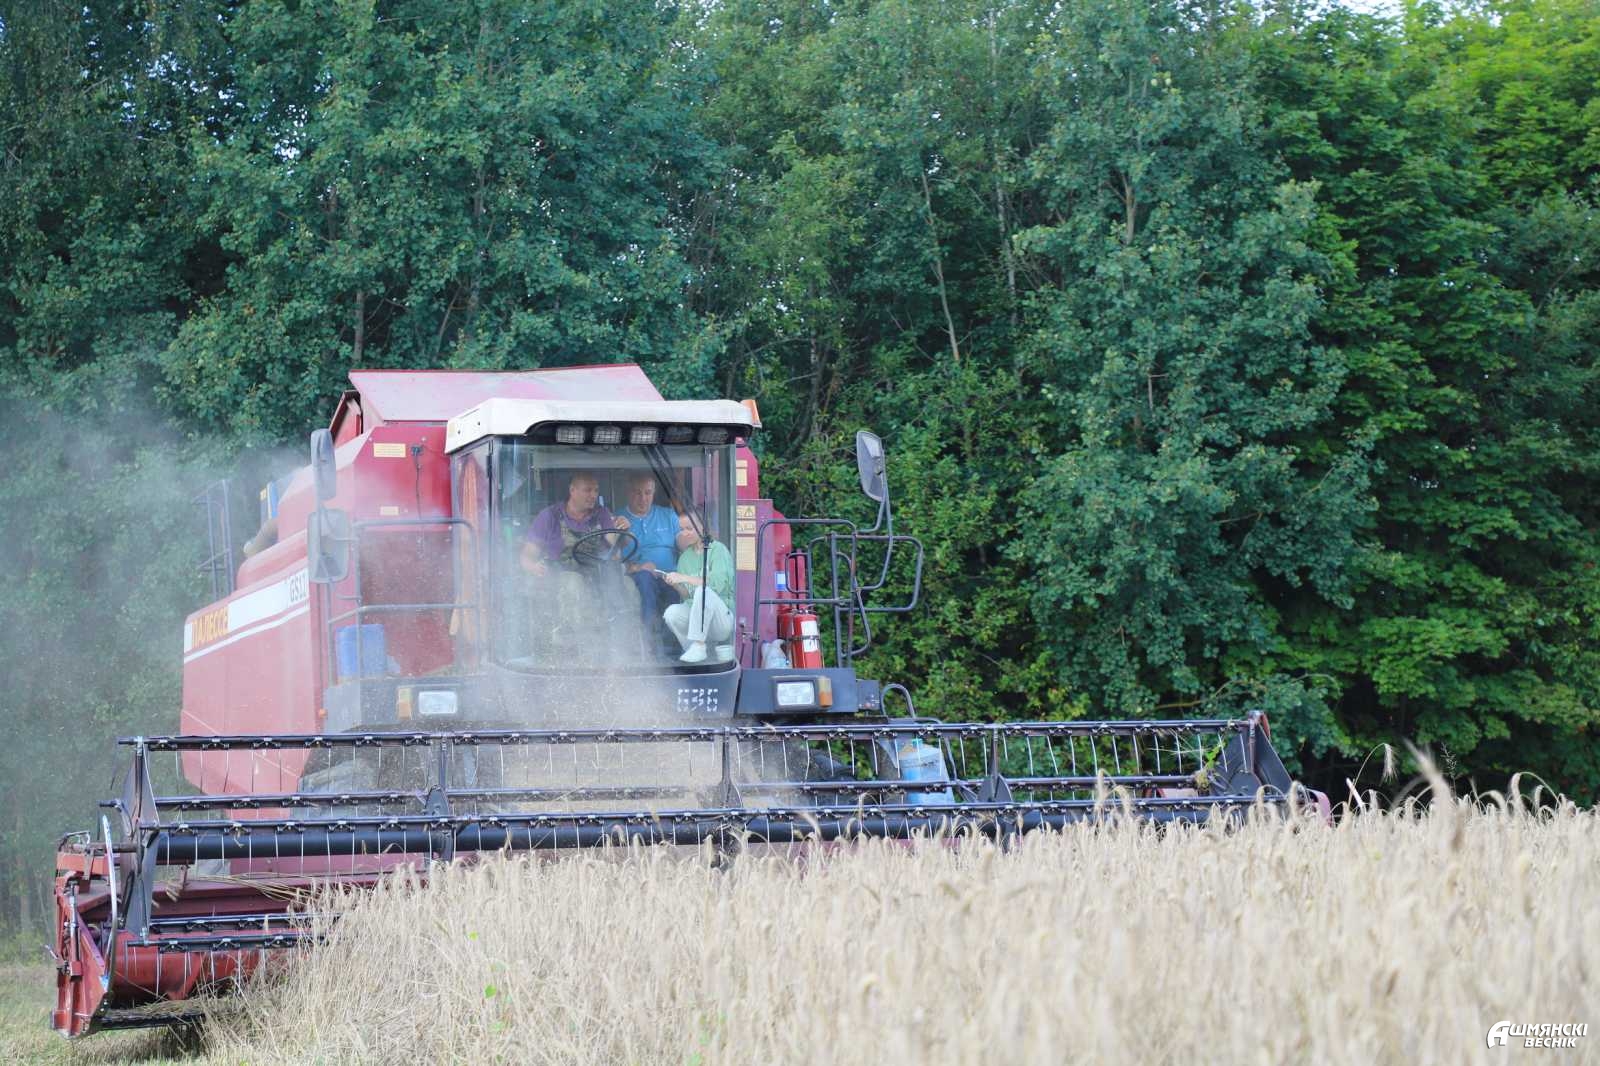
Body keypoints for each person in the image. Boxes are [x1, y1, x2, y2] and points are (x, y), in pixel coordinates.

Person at [662, 509, 736, 664]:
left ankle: (699, 646)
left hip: (721, 620)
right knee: (671, 613)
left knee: (703, 592)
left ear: (703, 526)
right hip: (698, 619)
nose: (684, 533)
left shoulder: (718, 550)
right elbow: (687, 596)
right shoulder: (684, 557)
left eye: (689, 528)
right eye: (682, 529)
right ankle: (693, 649)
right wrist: (676, 585)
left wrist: (683, 577)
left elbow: (716, 585)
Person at [617, 471, 681, 629]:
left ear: (654, 493)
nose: (643, 498)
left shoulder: (668, 515)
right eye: (637, 492)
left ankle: (672, 640)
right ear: (628, 492)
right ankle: (649, 636)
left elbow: (684, 544)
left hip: (669, 575)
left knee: (675, 588)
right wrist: (638, 568)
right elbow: (611, 560)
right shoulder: (617, 519)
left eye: (648, 492)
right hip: (638, 576)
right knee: (645, 579)